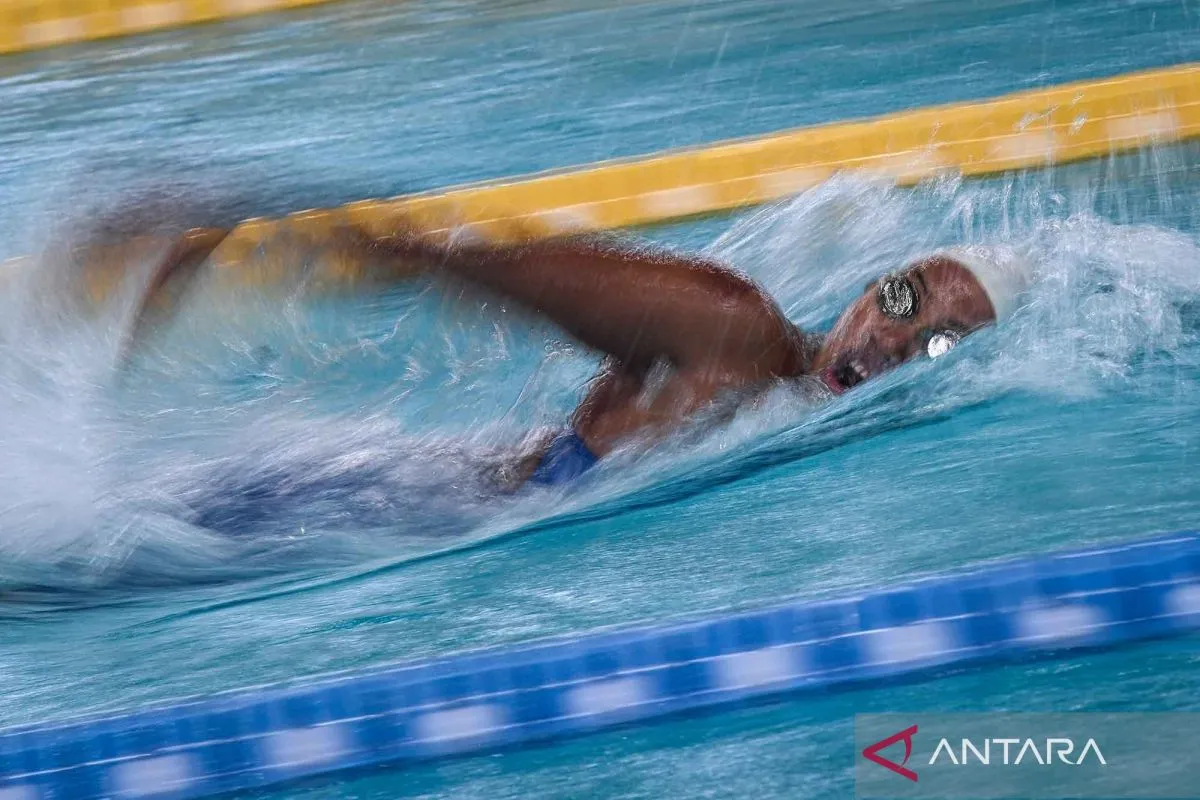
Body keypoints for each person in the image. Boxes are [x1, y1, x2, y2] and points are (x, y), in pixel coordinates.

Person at [121, 221, 1034, 490]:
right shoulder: (735, 330)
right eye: (902, 302)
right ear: (870, 287)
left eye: (935, 343)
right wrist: (246, 234)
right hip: (354, 504)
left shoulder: (792, 411)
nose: (890, 341)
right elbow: (476, 265)